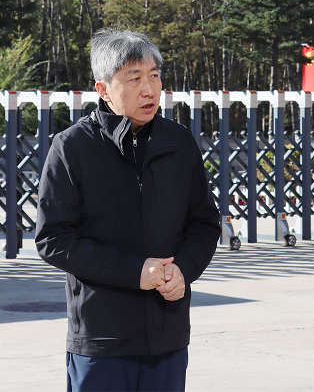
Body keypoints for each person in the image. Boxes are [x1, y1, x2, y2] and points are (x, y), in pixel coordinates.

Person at [35, 28, 220, 392]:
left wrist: (184, 269)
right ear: (103, 89)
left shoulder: (179, 142)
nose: (149, 89)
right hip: (102, 342)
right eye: (134, 79)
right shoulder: (72, 147)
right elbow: (52, 239)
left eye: (154, 76)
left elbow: (204, 223)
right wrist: (135, 271)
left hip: (167, 338)